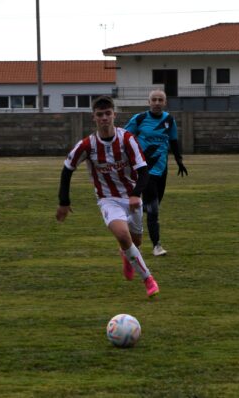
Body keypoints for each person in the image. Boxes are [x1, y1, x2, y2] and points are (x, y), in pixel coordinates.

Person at [56, 96, 159, 298]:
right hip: (107, 199)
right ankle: (148, 279)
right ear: (93, 117)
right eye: (100, 115)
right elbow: (67, 169)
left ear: (114, 115)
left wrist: (136, 194)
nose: (104, 118)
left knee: (135, 241)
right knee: (122, 235)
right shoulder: (87, 145)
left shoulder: (127, 139)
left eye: (108, 114)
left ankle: (126, 255)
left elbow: (144, 171)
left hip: (131, 196)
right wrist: (64, 202)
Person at [123, 89, 188, 257]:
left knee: (153, 205)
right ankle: (156, 246)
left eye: (160, 100)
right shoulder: (140, 119)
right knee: (153, 210)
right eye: (154, 99)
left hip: (162, 169)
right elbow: (124, 137)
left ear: (165, 103)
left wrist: (179, 161)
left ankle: (137, 213)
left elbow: (173, 141)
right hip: (145, 170)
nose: (157, 102)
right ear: (149, 102)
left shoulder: (169, 120)